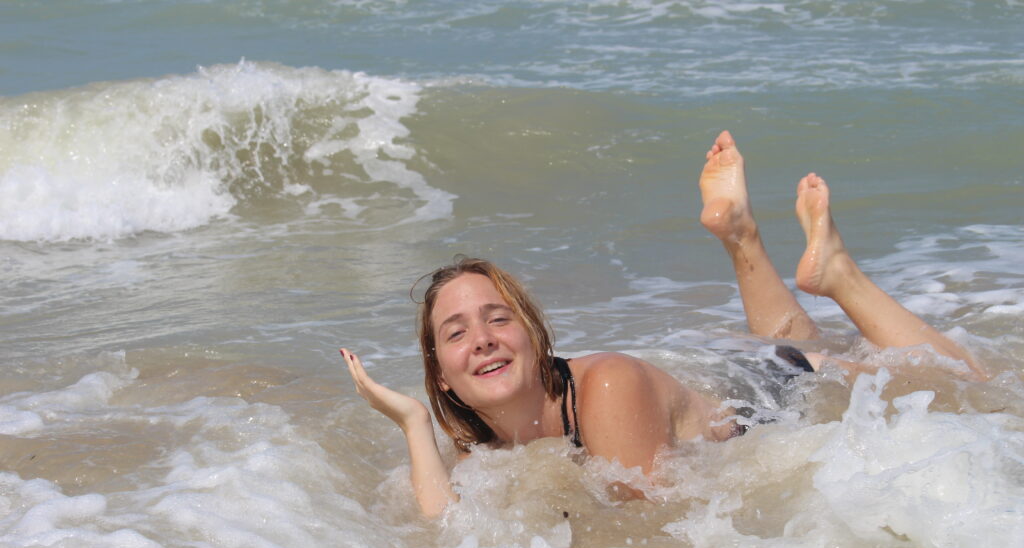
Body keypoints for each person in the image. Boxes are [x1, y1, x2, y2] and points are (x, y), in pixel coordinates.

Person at [341, 130, 986, 517]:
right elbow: (448, 533)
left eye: (497, 318)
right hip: (726, 367)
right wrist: (414, 423)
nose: (481, 339)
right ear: (442, 376)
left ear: (534, 338)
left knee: (969, 383)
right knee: (788, 338)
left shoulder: (606, 388)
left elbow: (654, 528)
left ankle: (841, 276)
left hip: (774, 395)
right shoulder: (482, 440)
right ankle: (739, 235)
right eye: (456, 333)